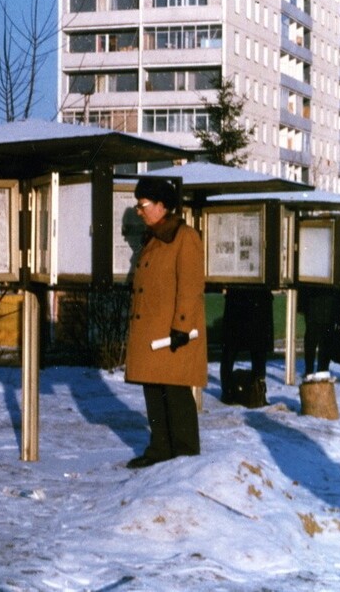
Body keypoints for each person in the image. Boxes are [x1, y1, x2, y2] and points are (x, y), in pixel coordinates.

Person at [124, 178, 207, 469]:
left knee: (175, 392)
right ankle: (160, 449)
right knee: (154, 392)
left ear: (161, 206)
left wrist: (182, 325)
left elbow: (191, 284)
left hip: (172, 332)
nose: (139, 211)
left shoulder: (185, 237)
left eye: (143, 205)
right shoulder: (154, 237)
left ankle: (184, 456)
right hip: (153, 331)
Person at [219, 286, 273, 407]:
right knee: (240, 348)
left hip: (241, 298)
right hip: (254, 298)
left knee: (235, 348)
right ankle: (256, 392)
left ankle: (231, 392)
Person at [299, 285, 340, 377]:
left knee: (311, 341)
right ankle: (322, 369)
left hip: (313, 305)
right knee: (325, 341)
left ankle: (310, 370)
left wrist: (302, 306)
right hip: (329, 306)